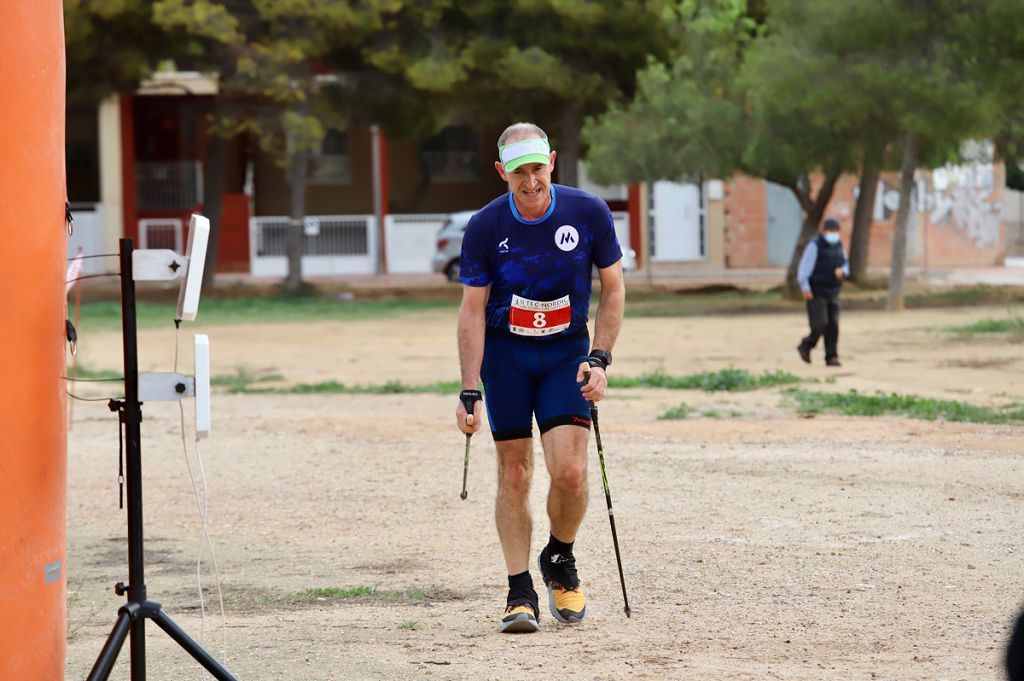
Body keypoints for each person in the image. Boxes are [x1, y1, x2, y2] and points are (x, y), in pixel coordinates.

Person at [455, 122, 626, 633]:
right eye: (518, 172)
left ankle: (559, 557)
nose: (530, 182)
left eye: (536, 168)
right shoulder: (485, 226)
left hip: (564, 353)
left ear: (552, 160)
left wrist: (599, 359)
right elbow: (471, 310)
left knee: (570, 473)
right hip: (505, 357)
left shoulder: (587, 212)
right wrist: (469, 389)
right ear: (501, 172)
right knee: (514, 472)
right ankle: (518, 591)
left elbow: (613, 289)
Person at [796, 217, 849, 367]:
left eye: (836, 231)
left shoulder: (839, 246)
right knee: (820, 323)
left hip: (833, 291)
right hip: (816, 291)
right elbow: (804, 269)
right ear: (824, 231)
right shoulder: (814, 246)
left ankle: (831, 356)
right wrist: (805, 288)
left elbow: (846, 265)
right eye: (831, 231)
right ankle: (806, 345)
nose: (833, 234)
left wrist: (842, 271)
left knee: (833, 324)